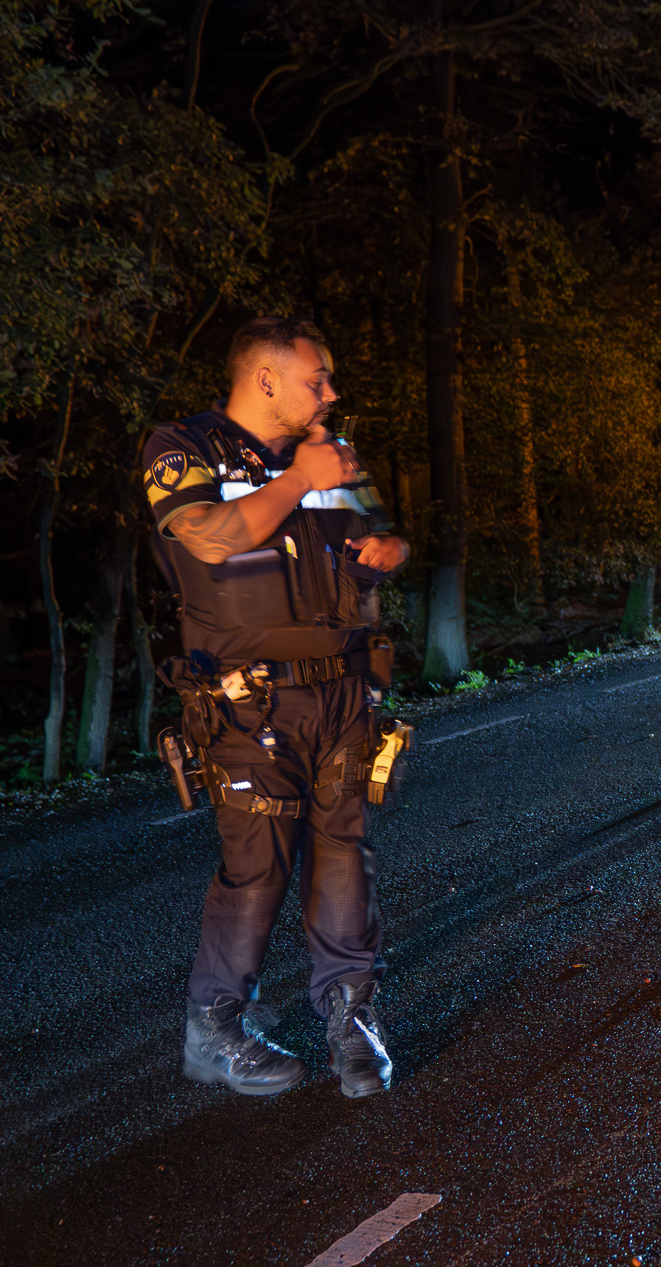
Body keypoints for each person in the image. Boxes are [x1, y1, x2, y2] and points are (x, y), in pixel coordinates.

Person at [141, 316, 409, 1099]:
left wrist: (383, 554)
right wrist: (295, 480)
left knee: (343, 856)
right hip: (247, 698)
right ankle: (215, 1027)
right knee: (257, 867)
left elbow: (379, 539)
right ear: (264, 378)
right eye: (316, 378)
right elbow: (209, 540)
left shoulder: (330, 453)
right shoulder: (180, 446)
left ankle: (352, 1016)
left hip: (344, 692)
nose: (330, 391)